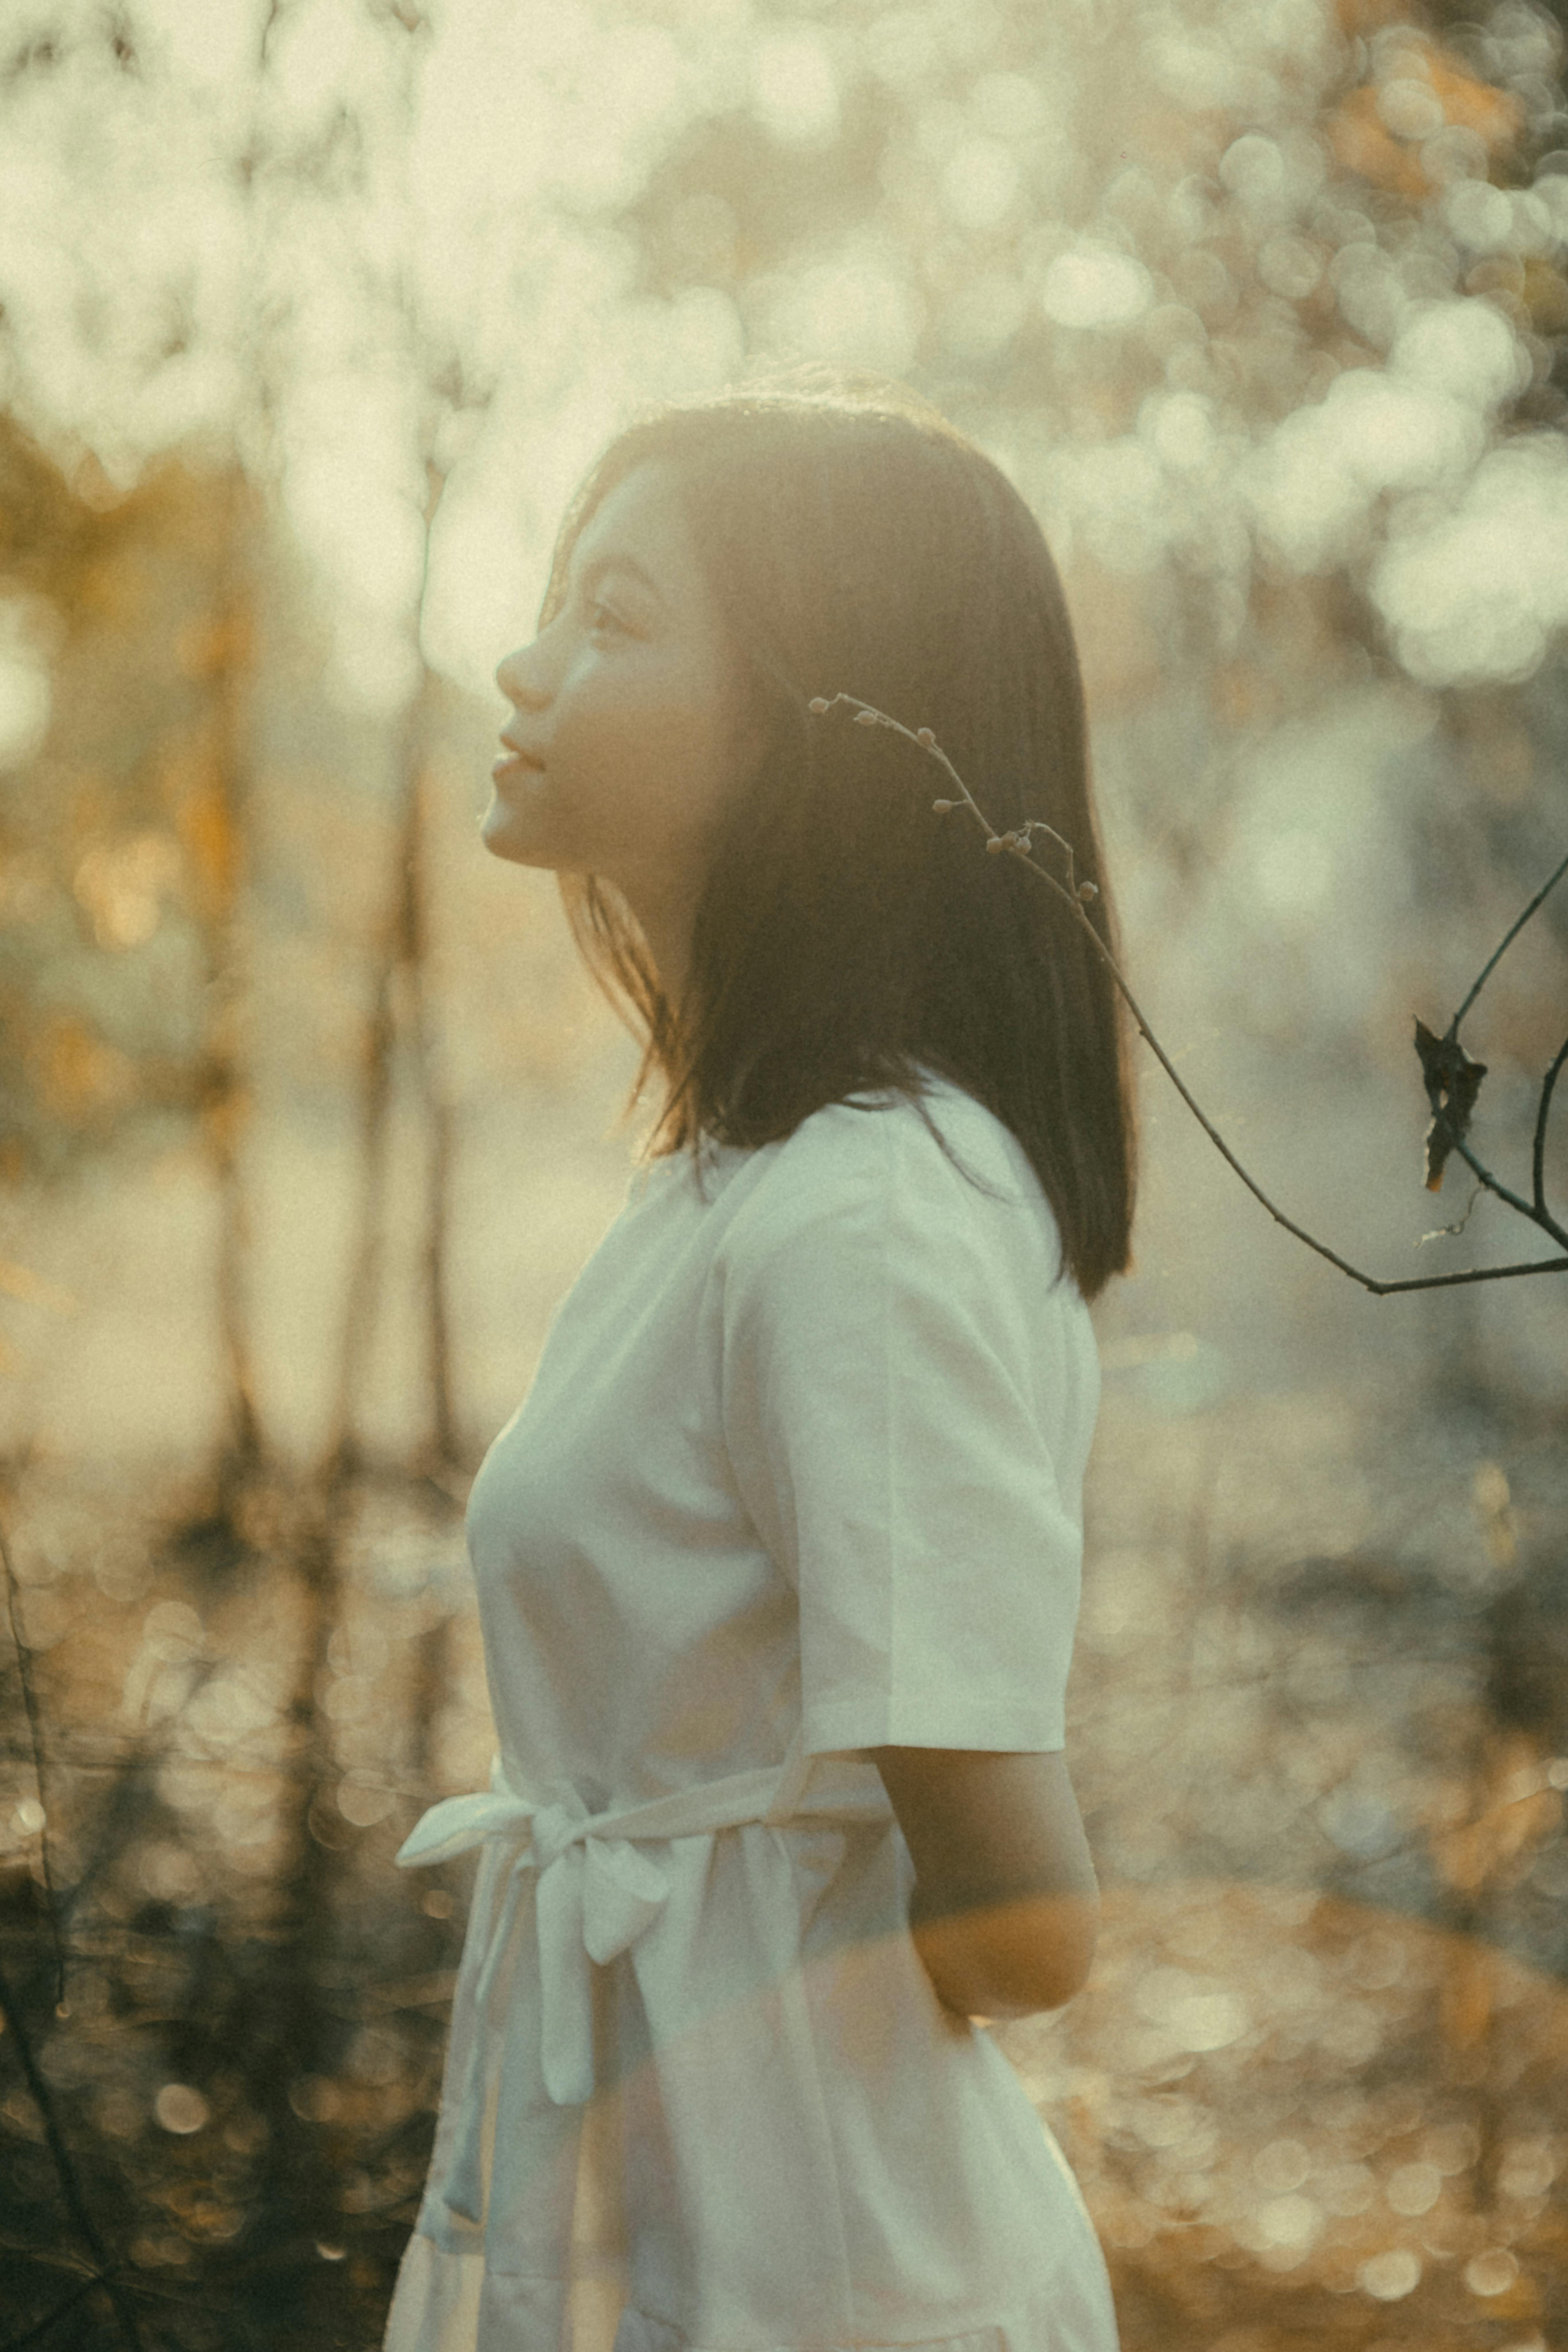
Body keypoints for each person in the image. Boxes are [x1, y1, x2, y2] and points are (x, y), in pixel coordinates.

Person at [382, 373, 1136, 2352]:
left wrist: (741, 1938)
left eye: (616, 617)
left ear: (816, 727)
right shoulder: (737, 1179)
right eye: (555, 600)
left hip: (812, 2268)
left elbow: (1024, 1927)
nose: (524, 663)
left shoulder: (862, 1215)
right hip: (650, 2215)